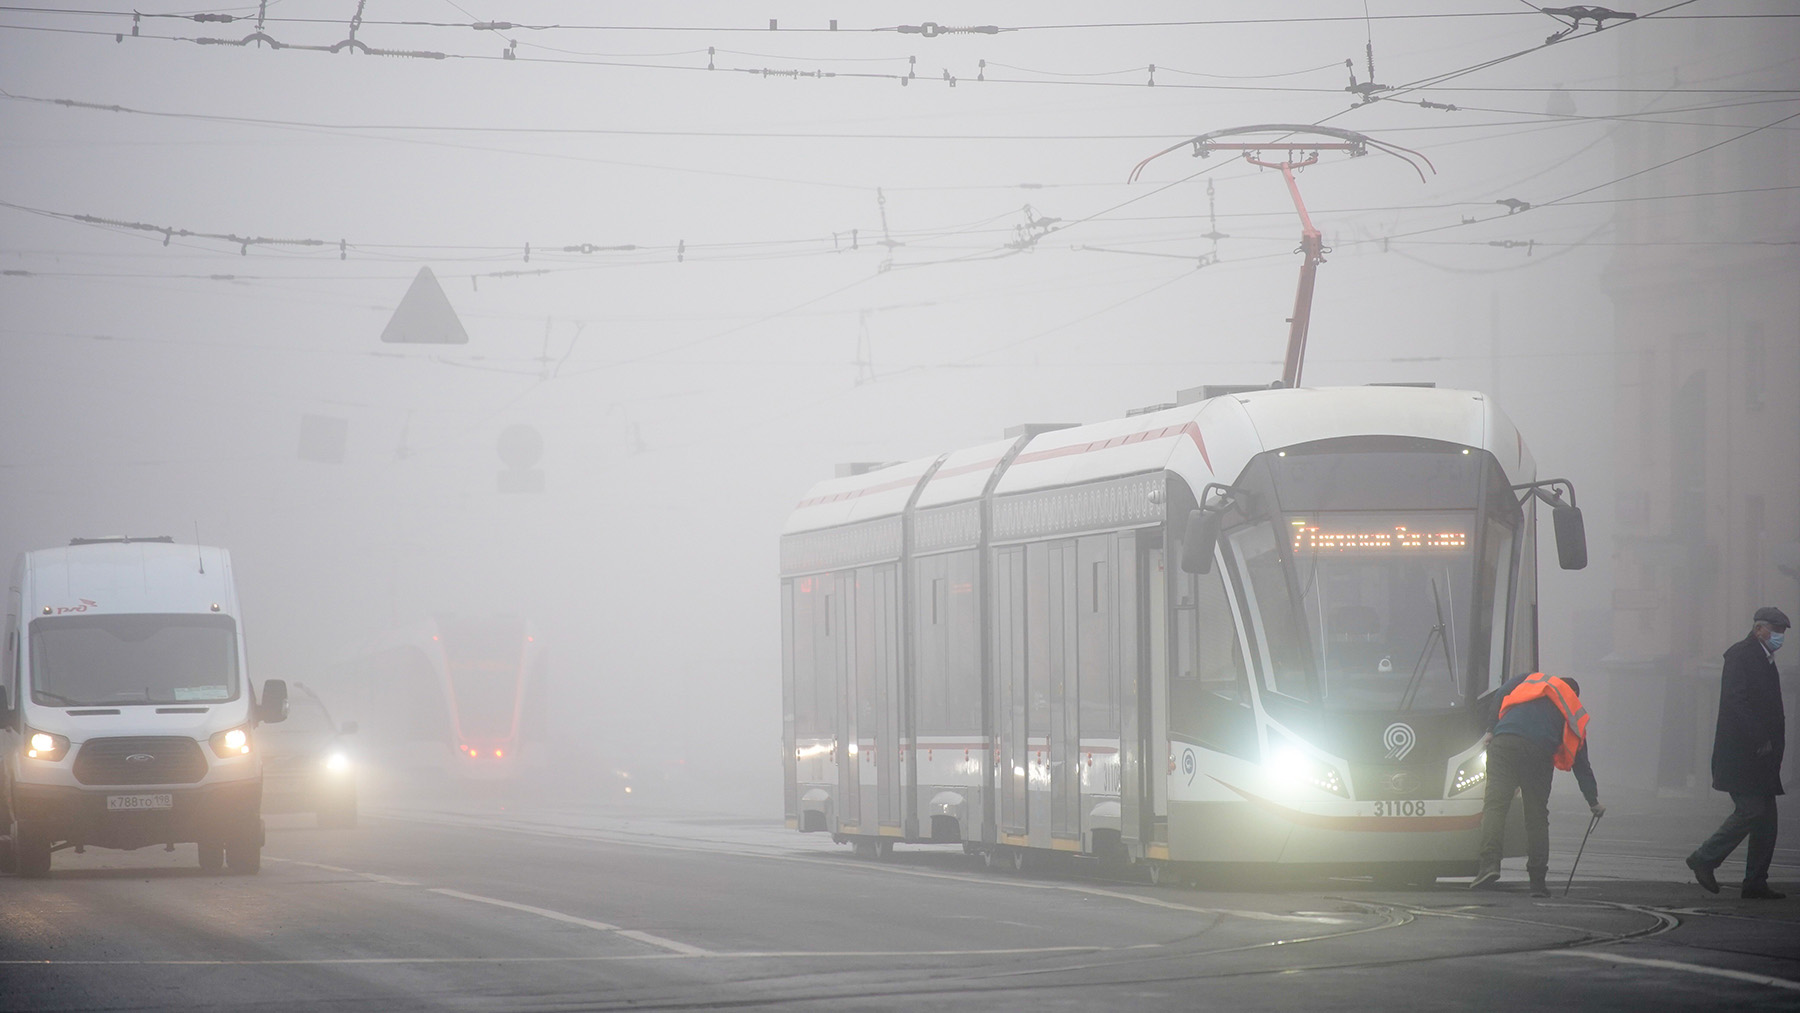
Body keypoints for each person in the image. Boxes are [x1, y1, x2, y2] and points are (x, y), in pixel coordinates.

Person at [1687, 606, 1789, 900]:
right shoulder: (1741, 655)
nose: (1780, 637)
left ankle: (1755, 881)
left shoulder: (1765, 659)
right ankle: (1705, 858)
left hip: (1761, 758)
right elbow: (1735, 701)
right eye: (1776, 631)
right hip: (1742, 755)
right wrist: (1759, 737)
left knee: (1767, 821)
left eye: (1782, 632)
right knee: (1751, 811)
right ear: (1759, 629)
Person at [1473, 672, 1603, 897]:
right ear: (1574, 694)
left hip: (1505, 743)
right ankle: (1537, 883)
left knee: (1495, 807)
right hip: (1539, 752)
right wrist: (1593, 801)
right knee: (1536, 818)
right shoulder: (1572, 708)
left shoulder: (1532, 680)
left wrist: (1491, 728)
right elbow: (1582, 763)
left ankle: (1489, 866)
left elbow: (1501, 694)